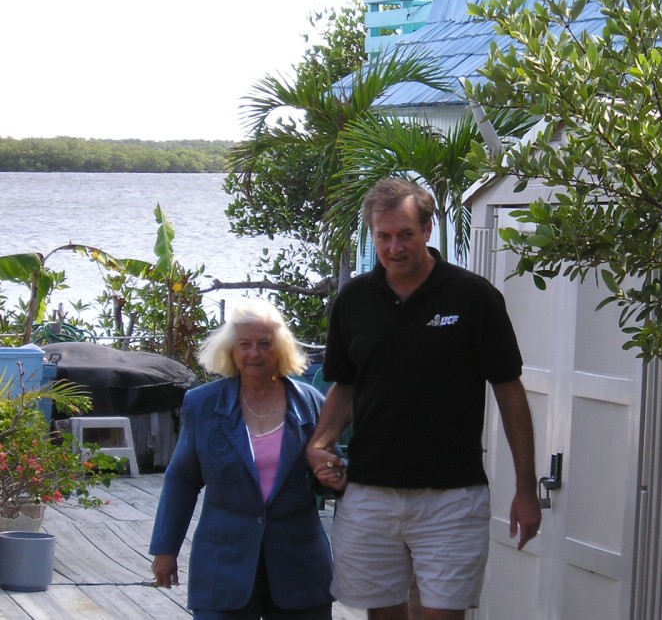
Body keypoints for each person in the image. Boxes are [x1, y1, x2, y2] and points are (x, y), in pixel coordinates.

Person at [306, 177, 542, 620]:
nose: (394, 248)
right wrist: (319, 444)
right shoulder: (354, 299)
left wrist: (526, 488)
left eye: (406, 234)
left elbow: (510, 392)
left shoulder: (474, 298)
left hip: (452, 496)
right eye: (384, 237)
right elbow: (345, 386)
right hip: (370, 492)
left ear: (428, 229)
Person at [150, 299, 335, 620]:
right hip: (223, 566)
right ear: (230, 351)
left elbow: (331, 477)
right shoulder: (201, 404)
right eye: (244, 345)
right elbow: (182, 479)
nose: (254, 353)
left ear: (280, 348)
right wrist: (166, 549)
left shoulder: (311, 404)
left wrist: (334, 476)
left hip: (300, 567)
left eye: (265, 344)